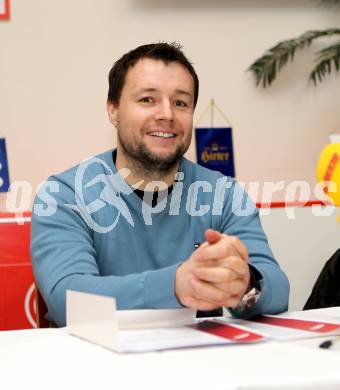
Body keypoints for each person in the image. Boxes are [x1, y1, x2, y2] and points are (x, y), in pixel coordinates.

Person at [30, 42, 289, 327]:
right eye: (147, 100)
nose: (167, 113)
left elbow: (277, 288)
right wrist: (175, 285)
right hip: (98, 364)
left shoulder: (223, 194)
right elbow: (70, 302)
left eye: (181, 102)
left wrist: (243, 283)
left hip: (202, 362)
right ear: (113, 110)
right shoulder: (64, 195)